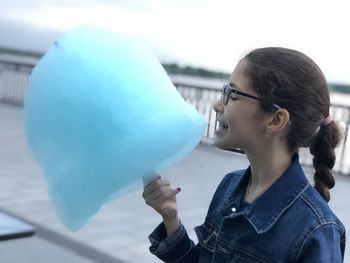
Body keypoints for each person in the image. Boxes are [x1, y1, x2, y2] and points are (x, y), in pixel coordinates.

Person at [142, 47, 346, 262]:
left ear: (275, 120)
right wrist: (170, 218)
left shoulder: (317, 229)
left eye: (233, 94)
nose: (217, 104)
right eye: (223, 91)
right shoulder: (230, 185)